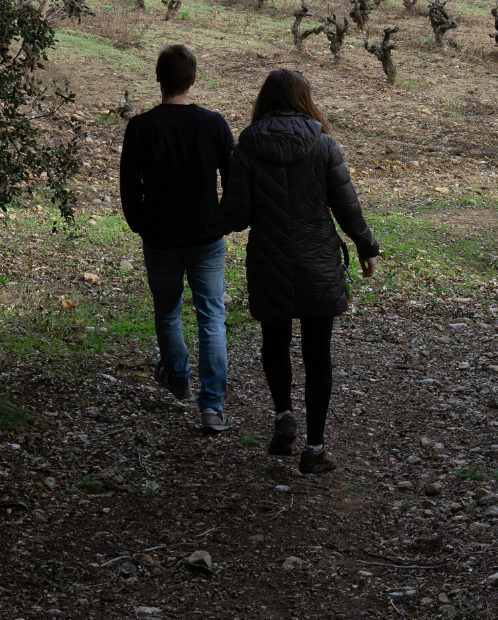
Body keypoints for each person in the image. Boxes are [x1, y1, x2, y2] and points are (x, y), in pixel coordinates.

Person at [222, 68, 378, 474]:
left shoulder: (247, 145)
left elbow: (236, 218)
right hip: (317, 261)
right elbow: (347, 206)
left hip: (269, 260)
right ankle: (315, 448)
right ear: (304, 99)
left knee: (274, 342)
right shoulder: (324, 144)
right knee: (317, 353)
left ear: (264, 100)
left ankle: (283, 416)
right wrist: (366, 247)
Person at [120, 44, 236, 432]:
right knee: (212, 316)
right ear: (193, 79)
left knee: (168, 311)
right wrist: (223, 219)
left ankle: (179, 378)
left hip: (160, 239)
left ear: (158, 78)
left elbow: (129, 188)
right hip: (206, 237)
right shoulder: (214, 124)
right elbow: (234, 180)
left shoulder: (141, 128)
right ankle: (212, 407)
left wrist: (141, 224)